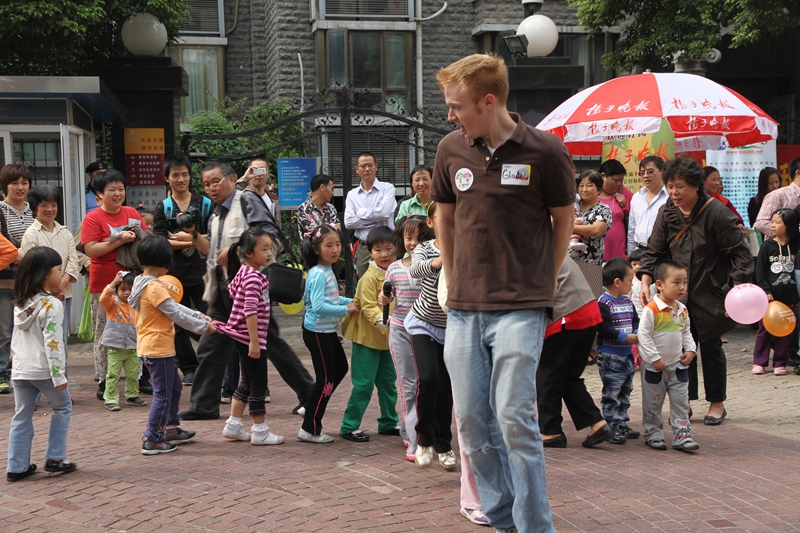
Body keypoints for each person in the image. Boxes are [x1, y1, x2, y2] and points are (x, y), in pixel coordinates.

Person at [433, 53, 573, 533]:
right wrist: (452, 275)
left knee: (513, 417)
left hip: (521, 306)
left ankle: (535, 526)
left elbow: (563, 219)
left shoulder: (546, 151)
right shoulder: (451, 149)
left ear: (488, 101)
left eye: (457, 105)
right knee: (472, 423)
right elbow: (445, 217)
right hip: (463, 310)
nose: (450, 114)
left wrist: (546, 276)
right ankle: (502, 517)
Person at [179, 161, 313, 421]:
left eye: (215, 181)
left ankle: (309, 393)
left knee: (271, 344)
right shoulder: (217, 213)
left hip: (249, 287)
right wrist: (194, 235)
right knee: (210, 345)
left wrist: (235, 250)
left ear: (232, 179)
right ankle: (203, 405)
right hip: (222, 288)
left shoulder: (247, 201)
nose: (211, 188)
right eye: (206, 184)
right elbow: (213, 253)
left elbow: (269, 235)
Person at [638, 157, 753, 426]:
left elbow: (740, 255)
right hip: (676, 294)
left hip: (712, 291)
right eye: (670, 186)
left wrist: (734, 291)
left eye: (680, 186)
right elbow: (655, 250)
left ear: (696, 186)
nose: (675, 193)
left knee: (710, 346)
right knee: (679, 349)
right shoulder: (668, 211)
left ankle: (716, 402)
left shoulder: (717, 213)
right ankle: (684, 402)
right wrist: (646, 280)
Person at [129, 236, 215, 455]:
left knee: (174, 388)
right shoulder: (154, 288)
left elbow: (175, 307)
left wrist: (200, 316)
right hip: (157, 348)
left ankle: (170, 427)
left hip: (156, 347)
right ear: (165, 262)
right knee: (164, 394)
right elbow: (175, 312)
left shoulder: (144, 282)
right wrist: (202, 327)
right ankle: (152, 438)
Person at [6, 247, 76, 482]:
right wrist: (59, 377)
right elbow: (53, 344)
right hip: (44, 370)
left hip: (21, 369)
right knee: (62, 407)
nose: (61, 273)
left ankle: (16, 466)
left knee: (21, 415)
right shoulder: (51, 305)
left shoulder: (21, 303)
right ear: (46, 274)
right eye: (58, 269)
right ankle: (55, 457)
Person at [81, 169, 148, 400]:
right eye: (112, 190)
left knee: (136, 328)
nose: (118, 193)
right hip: (105, 284)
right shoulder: (93, 217)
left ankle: (138, 378)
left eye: (121, 188)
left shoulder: (131, 212)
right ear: (99, 194)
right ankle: (103, 380)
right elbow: (90, 249)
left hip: (134, 283)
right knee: (104, 332)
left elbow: (145, 240)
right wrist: (118, 239)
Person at [216, 228, 285, 446]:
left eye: (269, 248)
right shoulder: (254, 277)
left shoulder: (244, 273)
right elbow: (250, 311)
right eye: (263, 249)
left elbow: (245, 300)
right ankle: (260, 430)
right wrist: (255, 341)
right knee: (258, 383)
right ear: (248, 253)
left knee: (246, 382)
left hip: (241, 335)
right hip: (249, 337)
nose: (268, 253)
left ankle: (233, 425)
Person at [536, 256, 614, 449]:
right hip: (587, 313)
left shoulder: (533, 247)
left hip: (564, 317)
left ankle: (550, 431)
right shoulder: (552, 243)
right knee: (568, 377)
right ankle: (597, 423)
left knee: (548, 376)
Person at [153, 153, 211, 386]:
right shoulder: (163, 207)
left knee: (209, 319)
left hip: (203, 272)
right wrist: (192, 239)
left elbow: (213, 236)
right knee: (176, 324)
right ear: (167, 178)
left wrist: (184, 237)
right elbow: (159, 240)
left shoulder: (205, 203)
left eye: (184, 174)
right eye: (175, 175)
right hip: (173, 276)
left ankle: (211, 363)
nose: (181, 179)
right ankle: (189, 368)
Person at [406, 202, 456, 470]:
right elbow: (414, 271)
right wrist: (439, 260)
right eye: (443, 215)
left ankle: (444, 443)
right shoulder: (425, 248)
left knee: (446, 388)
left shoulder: (465, 246)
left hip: (454, 328)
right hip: (423, 324)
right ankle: (423, 439)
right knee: (428, 379)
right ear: (430, 221)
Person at [338, 226, 399, 442]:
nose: (384, 254)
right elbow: (368, 306)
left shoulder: (397, 273)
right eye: (378, 250)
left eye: (389, 248)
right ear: (370, 252)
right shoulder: (368, 277)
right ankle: (349, 426)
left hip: (388, 338)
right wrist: (387, 321)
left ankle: (389, 422)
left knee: (388, 383)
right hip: (367, 339)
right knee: (363, 384)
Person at [299, 224, 358, 443]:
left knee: (340, 368)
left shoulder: (327, 270)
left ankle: (312, 406)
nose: (335, 250)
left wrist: (349, 301)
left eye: (338, 245)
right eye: (329, 245)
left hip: (326, 331)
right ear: (316, 249)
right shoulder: (319, 274)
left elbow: (330, 299)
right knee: (325, 379)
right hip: (317, 332)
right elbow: (319, 306)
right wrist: (346, 309)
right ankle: (310, 429)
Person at [638, 260, 699, 452]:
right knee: (653, 402)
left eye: (685, 282)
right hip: (655, 367)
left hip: (677, 366)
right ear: (660, 284)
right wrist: (655, 358)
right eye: (676, 282)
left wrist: (690, 350)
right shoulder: (652, 310)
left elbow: (686, 332)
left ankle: (682, 434)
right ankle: (653, 433)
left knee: (681, 401)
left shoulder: (682, 309)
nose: (682, 287)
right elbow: (643, 336)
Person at [378, 215, 425, 460]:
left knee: (427, 383)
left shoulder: (432, 265)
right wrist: (383, 299)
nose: (413, 243)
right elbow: (386, 295)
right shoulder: (394, 268)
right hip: (400, 329)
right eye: (409, 238)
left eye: (418, 238)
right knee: (409, 385)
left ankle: (426, 432)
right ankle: (412, 435)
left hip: (427, 331)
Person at [20, 185, 80, 369]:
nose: (49, 209)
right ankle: (40, 383)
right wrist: (51, 288)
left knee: (60, 341)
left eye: (53, 205)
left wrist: (62, 284)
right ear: (35, 207)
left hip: (64, 295)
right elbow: (32, 267)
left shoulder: (66, 232)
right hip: (40, 298)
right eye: (44, 205)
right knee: (42, 339)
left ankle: (62, 386)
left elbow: (73, 262)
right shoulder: (30, 234)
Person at [596, 258, 640, 445]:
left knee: (625, 390)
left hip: (626, 354)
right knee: (612, 391)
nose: (631, 284)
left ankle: (622, 422)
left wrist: (637, 333)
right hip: (610, 355)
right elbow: (603, 327)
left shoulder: (627, 301)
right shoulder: (604, 302)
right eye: (630, 280)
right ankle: (612, 424)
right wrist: (624, 337)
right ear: (617, 282)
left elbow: (635, 321)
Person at [0, 163, 34, 395]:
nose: (20, 187)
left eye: (24, 183)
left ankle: (25, 373)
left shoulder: (35, 209)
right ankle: (3, 373)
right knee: (5, 330)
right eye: (15, 183)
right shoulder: (0, 210)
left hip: (31, 281)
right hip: (5, 281)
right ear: (5, 186)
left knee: (29, 329)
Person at [753, 209, 799, 375]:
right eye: (772, 221)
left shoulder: (796, 245)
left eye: (778, 222)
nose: (772, 225)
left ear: (789, 225)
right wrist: (766, 290)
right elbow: (760, 271)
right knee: (764, 329)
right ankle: (759, 361)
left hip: (790, 296)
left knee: (786, 330)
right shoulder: (767, 246)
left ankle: (780, 362)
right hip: (770, 297)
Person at [344, 151, 397, 277]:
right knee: (365, 285)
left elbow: (383, 212)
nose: (367, 169)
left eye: (370, 165)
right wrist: (376, 216)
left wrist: (361, 213)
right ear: (357, 169)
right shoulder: (352, 195)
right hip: (364, 247)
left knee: (389, 283)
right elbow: (349, 222)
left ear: (376, 167)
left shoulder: (388, 188)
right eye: (363, 166)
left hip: (386, 246)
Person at [99, 271, 147, 411]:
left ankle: (132, 396)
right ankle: (111, 399)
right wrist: (113, 283)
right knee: (113, 375)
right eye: (123, 289)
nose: (127, 293)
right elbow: (103, 298)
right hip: (115, 347)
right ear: (117, 290)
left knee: (133, 375)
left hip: (133, 347)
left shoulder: (137, 306)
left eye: (131, 290)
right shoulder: (112, 303)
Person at [570, 169, 612, 298]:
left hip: (591, 263)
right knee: (569, 301)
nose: (584, 189)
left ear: (599, 189)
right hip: (568, 262)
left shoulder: (603, 209)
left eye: (589, 185)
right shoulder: (572, 205)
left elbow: (595, 230)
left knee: (591, 300)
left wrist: (568, 227)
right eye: (581, 185)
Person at [627, 156, 668, 254]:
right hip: (639, 251)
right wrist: (631, 253)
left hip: (662, 252)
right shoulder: (637, 197)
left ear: (662, 172)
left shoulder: (670, 197)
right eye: (642, 172)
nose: (645, 175)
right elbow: (632, 228)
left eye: (650, 171)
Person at [755, 156, 800, 239]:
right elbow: (761, 223)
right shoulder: (777, 195)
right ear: (798, 173)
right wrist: (786, 233)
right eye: (771, 183)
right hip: (780, 250)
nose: (775, 185)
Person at [597, 159, 631, 260]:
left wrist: (625, 204)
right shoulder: (592, 193)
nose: (619, 184)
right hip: (596, 254)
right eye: (615, 180)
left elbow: (634, 218)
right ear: (603, 176)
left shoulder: (624, 193)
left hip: (619, 254)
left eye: (621, 180)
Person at [297, 173, 340, 239]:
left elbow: (338, 231)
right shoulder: (304, 208)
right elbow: (314, 236)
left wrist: (319, 230)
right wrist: (330, 229)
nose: (333, 193)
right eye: (331, 189)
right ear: (322, 187)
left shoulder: (331, 208)